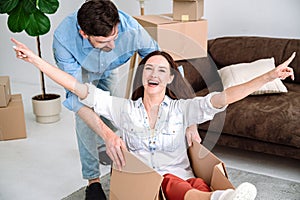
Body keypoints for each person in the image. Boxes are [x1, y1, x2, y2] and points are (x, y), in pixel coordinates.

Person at [11, 38, 296, 200]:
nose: (154, 74)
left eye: (162, 70)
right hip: (151, 185)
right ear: (142, 76)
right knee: (173, 182)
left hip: (185, 181)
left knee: (196, 185)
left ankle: (214, 196)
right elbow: (77, 87)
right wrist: (36, 61)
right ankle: (218, 198)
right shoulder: (124, 109)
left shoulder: (182, 109)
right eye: (149, 69)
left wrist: (269, 76)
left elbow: (224, 97)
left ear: (170, 78)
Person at [52, 0, 200, 199]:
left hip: (109, 69)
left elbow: (165, 67)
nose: (113, 45)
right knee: (85, 120)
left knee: (117, 115)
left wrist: (190, 118)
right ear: (84, 34)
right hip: (82, 73)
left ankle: (116, 152)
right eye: (104, 42)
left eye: (115, 36)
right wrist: (106, 135)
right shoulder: (63, 40)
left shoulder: (131, 29)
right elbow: (76, 97)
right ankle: (92, 181)